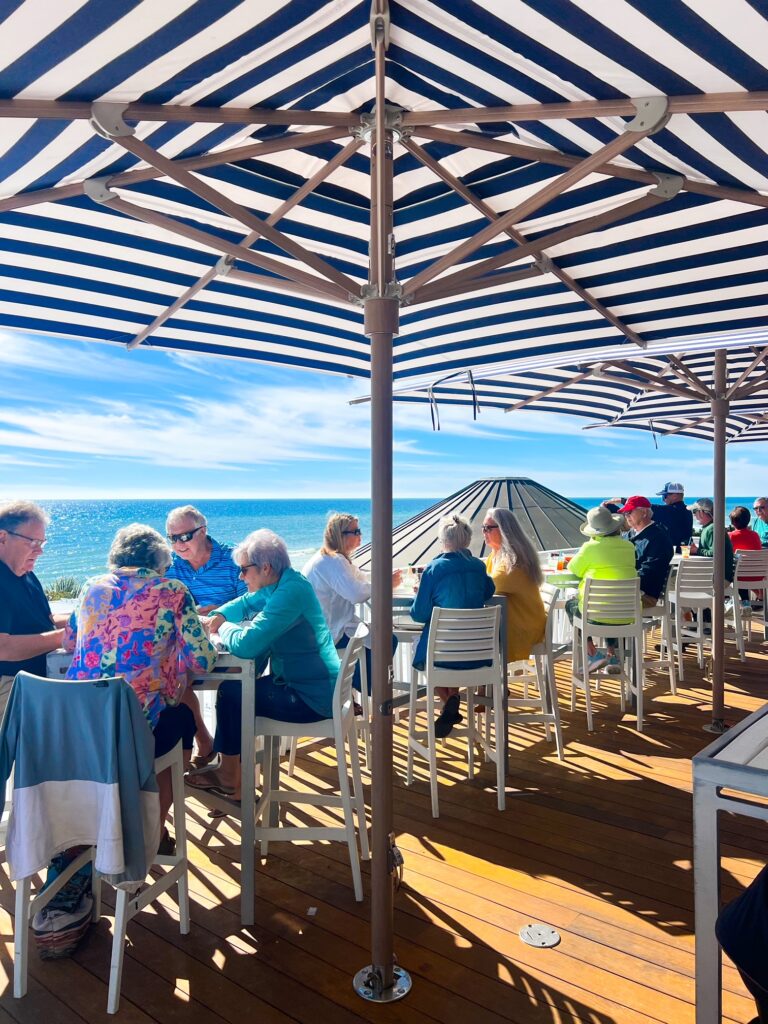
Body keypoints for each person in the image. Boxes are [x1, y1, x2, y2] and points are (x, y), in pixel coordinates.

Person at [64, 524, 216, 833]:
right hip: (134, 730)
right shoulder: (171, 591)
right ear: (160, 562)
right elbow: (202, 661)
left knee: (170, 717)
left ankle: (109, 824)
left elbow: (70, 642)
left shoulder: (90, 587)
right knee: (182, 718)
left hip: (81, 726)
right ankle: (152, 831)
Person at [190, 530, 339, 801]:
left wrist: (222, 627)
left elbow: (247, 645)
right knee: (237, 693)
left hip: (310, 697)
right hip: (315, 685)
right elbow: (247, 602)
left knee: (232, 695)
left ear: (266, 567)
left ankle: (230, 777)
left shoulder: (289, 593)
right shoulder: (284, 583)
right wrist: (219, 614)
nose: (240, 577)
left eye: (244, 570)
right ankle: (234, 778)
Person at [164, 505, 246, 768]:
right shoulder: (169, 566)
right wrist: (193, 615)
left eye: (184, 536)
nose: (178, 544)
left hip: (230, 642)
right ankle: (204, 740)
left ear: (203, 531)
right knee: (174, 679)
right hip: (190, 645)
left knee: (234, 687)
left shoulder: (234, 558)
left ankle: (233, 770)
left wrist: (221, 614)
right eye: (172, 538)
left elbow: (252, 601)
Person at [410, 514, 495, 738]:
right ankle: (452, 699)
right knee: (455, 647)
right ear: (467, 541)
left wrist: (421, 592)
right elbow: (488, 592)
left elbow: (419, 615)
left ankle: (449, 701)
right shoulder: (478, 566)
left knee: (419, 650)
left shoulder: (433, 569)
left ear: (443, 540)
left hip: (443, 654)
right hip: (478, 653)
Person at [302, 512, 400, 695]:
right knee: (388, 640)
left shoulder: (329, 559)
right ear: (340, 535)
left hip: (320, 632)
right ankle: (367, 689)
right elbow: (356, 594)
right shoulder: (332, 561)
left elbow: (358, 577)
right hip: (331, 635)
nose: (360, 535)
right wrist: (386, 583)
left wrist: (385, 578)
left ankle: (356, 688)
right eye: (355, 531)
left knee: (381, 637)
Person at [0, 500, 69, 715]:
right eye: (33, 542)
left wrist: (87, 619)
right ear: (2, 537)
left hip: (40, 680)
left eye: (42, 543)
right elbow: (3, 648)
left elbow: (45, 619)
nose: (40, 551)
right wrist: (66, 636)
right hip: (12, 687)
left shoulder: (26, 574)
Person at [566, 506, 638, 672]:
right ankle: (612, 655)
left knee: (571, 606)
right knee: (610, 604)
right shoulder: (629, 547)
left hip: (596, 614)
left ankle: (593, 654)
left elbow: (574, 569)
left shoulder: (590, 548)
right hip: (627, 613)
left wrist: (592, 543)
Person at [482, 507, 545, 662]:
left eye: (488, 528)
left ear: (504, 530)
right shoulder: (495, 555)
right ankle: (488, 684)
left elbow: (488, 587)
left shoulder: (513, 561)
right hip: (515, 620)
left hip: (523, 625)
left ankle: (489, 683)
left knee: (475, 635)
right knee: (477, 633)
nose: (484, 532)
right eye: (483, 528)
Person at [617, 496, 674, 608]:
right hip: (628, 588)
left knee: (597, 599)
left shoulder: (658, 538)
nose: (626, 516)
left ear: (644, 512)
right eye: (625, 513)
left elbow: (650, 572)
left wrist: (621, 581)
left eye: (629, 512)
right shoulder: (629, 535)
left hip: (644, 595)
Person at [690, 498, 735, 581]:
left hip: (719, 579)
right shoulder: (710, 527)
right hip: (717, 576)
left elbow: (715, 553)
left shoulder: (713, 529)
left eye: (694, 511)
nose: (694, 515)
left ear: (701, 512)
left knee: (672, 581)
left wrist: (696, 551)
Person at [729, 506, 763, 604]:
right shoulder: (755, 535)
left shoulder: (730, 536)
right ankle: (746, 603)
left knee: (732, 574)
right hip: (757, 575)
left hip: (740, 576)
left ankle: (740, 602)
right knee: (740, 571)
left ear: (732, 522)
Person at [652, 482, 694, 553]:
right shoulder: (688, 511)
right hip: (685, 552)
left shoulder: (669, 511)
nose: (663, 500)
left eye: (665, 496)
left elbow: (647, 507)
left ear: (674, 496)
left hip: (672, 554)